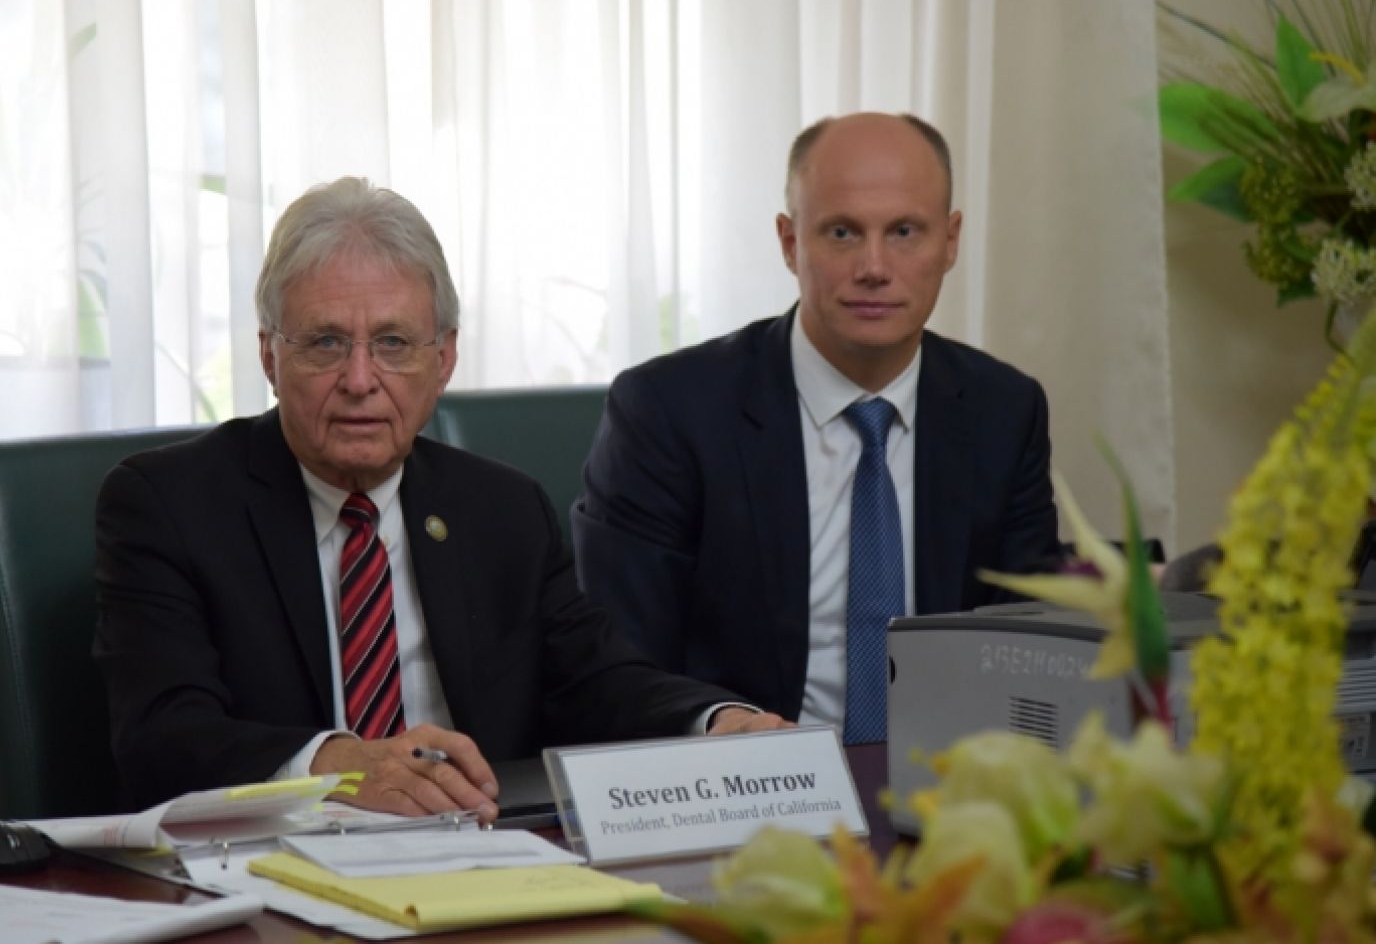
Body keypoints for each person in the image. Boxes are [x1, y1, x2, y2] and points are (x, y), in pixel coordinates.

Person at [94, 176, 783, 817]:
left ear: (444, 359)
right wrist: (341, 767)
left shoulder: (502, 510)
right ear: (270, 356)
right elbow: (161, 736)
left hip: (477, 851)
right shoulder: (168, 505)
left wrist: (715, 721)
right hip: (270, 864)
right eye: (326, 342)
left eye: (393, 342)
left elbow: (595, 681)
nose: (359, 379)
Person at [573, 112, 1061, 741]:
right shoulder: (668, 411)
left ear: (950, 241)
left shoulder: (1004, 411)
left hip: (947, 773)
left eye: (905, 231)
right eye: (842, 232)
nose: (875, 267)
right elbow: (616, 660)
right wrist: (716, 721)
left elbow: (1028, 640)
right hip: (745, 776)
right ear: (789, 242)